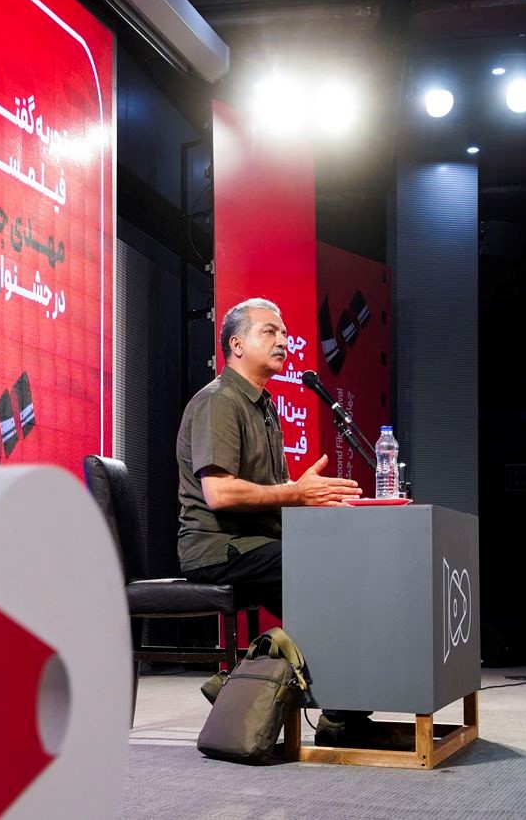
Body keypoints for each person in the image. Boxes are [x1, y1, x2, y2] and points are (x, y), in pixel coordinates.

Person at [176, 297, 407, 749]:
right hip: (219, 548)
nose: (282, 341)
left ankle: (332, 708)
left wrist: (319, 505)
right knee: (324, 574)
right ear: (236, 344)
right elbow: (220, 494)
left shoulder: (263, 406)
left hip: (256, 541)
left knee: (345, 561)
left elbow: (275, 493)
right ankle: (332, 714)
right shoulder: (220, 400)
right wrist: (298, 493)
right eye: (269, 332)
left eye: (283, 333)